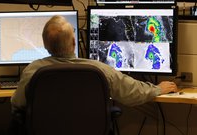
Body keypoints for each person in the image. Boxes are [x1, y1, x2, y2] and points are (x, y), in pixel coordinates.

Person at [11, 15, 178, 112]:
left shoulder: (32, 72)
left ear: (45, 44)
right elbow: (132, 93)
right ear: (74, 43)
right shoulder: (98, 70)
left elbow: (17, 104)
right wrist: (157, 88)